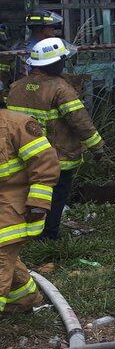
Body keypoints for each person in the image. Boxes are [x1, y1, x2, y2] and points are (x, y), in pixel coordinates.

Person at [6, 38, 104, 240]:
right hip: (57, 157)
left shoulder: (16, 87)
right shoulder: (61, 89)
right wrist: (97, 147)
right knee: (55, 197)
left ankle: (22, 234)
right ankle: (48, 236)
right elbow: (80, 122)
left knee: (24, 195)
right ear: (56, 63)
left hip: (21, 156)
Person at [0, 107, 60, 314]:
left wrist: (38, 204)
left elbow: (45, 165)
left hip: (10, 207)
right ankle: (24, 298)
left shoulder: (17, 124)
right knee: (7, 262)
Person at [15, 10, 64, 77]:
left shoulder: (47, 46)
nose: (53, 28)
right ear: (39, 29)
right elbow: (26, 73)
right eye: (50, 26)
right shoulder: (27, 49)